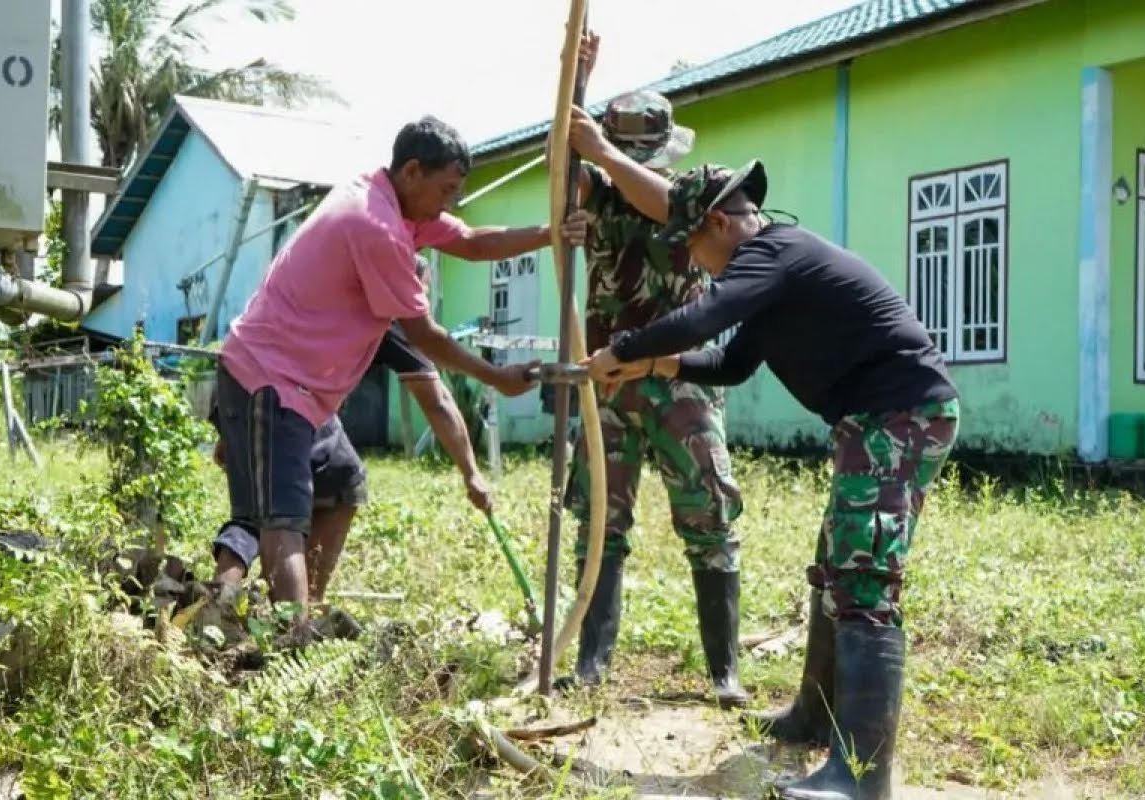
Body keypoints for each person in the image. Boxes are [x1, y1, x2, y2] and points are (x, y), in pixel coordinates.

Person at [574, 139, 960, 799]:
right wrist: (656, 364)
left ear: (718, 225)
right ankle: (814, 716)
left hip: (901, 415)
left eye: (691, 247)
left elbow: (704, 317)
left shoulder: (773, 252)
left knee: (863, 578)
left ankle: (862, 780)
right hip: (876, 420)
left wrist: (622, 347)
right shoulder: (775, 270)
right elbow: (732, 362)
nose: (693, 263)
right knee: (835, 567)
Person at [215, 114, 586, 641]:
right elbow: (426, 334)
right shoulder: (376, 227)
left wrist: (552, 235)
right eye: (447, 189)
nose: (450, 203)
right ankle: (289, 646)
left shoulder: (398, 205)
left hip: (305, 391)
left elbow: (475, 242)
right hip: (269, 379)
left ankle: (302, 615)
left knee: (342, 484)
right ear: (412, 171)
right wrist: (495, 376)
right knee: (283, 519)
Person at [548, 33, 747, 708]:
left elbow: (667, 205)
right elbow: (560, 166)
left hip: (679, 378)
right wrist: (575, 83)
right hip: (609, 378)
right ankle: (592, 660)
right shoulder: (596, 194)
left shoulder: (693, 189)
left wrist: (601, 151)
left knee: (710, 514)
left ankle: (725, 672)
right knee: (601, 519)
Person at [209, 255, 492, 611]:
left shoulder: (344, 290)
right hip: (273, 391)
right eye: (420, 293)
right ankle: (238, 618)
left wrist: (229, 431)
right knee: (263, 512)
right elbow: (437, 402)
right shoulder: (387, 314)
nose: (421, 305)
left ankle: (307, 600)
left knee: (343, 477)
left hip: (269, 388)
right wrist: (472, 473)